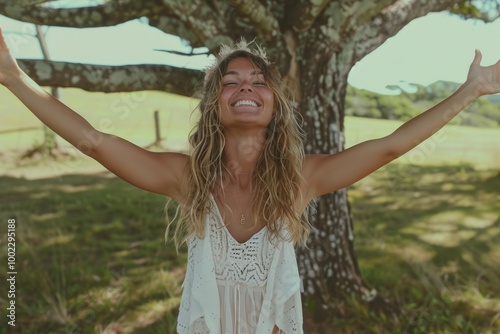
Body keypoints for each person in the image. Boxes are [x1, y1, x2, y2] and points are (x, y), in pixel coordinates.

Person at [1, 27, 499, 333]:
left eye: (258, 82)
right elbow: (92, 140)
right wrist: (14, 78)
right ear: (215, 104)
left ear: (274, 105)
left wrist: (472, 89)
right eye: (232, 81)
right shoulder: (186, 178)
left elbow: (392, 144)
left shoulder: (302, 180)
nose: (245, 87)